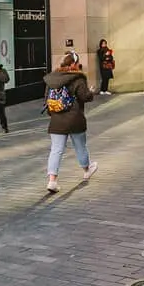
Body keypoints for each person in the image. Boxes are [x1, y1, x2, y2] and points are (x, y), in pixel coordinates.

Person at [42, 52, 97, 193]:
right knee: (80, 146)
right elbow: (84, 96)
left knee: (56, 150)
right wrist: (91, 92)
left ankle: (52, 181)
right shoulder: (78, 78)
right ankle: (87, 170)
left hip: (57, 120)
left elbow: (47, 100)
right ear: (73, 64)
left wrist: (53, 114)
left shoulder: (52, 78)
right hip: (74, 119)